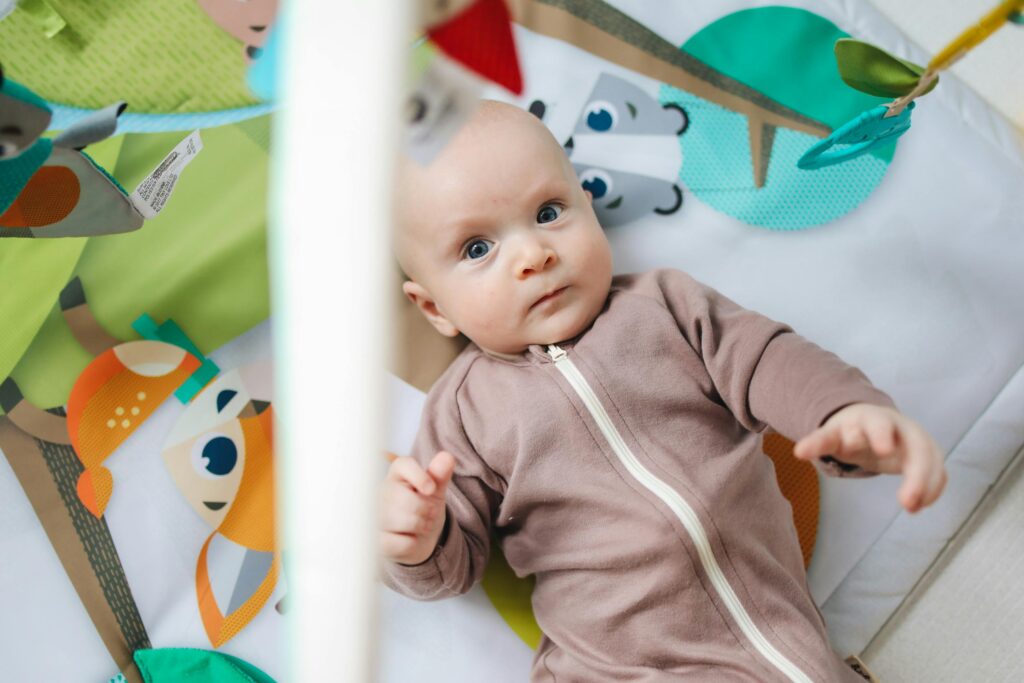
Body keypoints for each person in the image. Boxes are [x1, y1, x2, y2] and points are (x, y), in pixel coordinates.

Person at [379, 100, 946, 682]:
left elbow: (767, 360)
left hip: (783, 649)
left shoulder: (666, 308)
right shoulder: (464, 414)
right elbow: (452, 566)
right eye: (477, 249)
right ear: (433, 307)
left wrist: (841, 409)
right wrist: (418, 539)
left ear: (588, 206)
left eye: (549, 213)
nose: (533, 255)